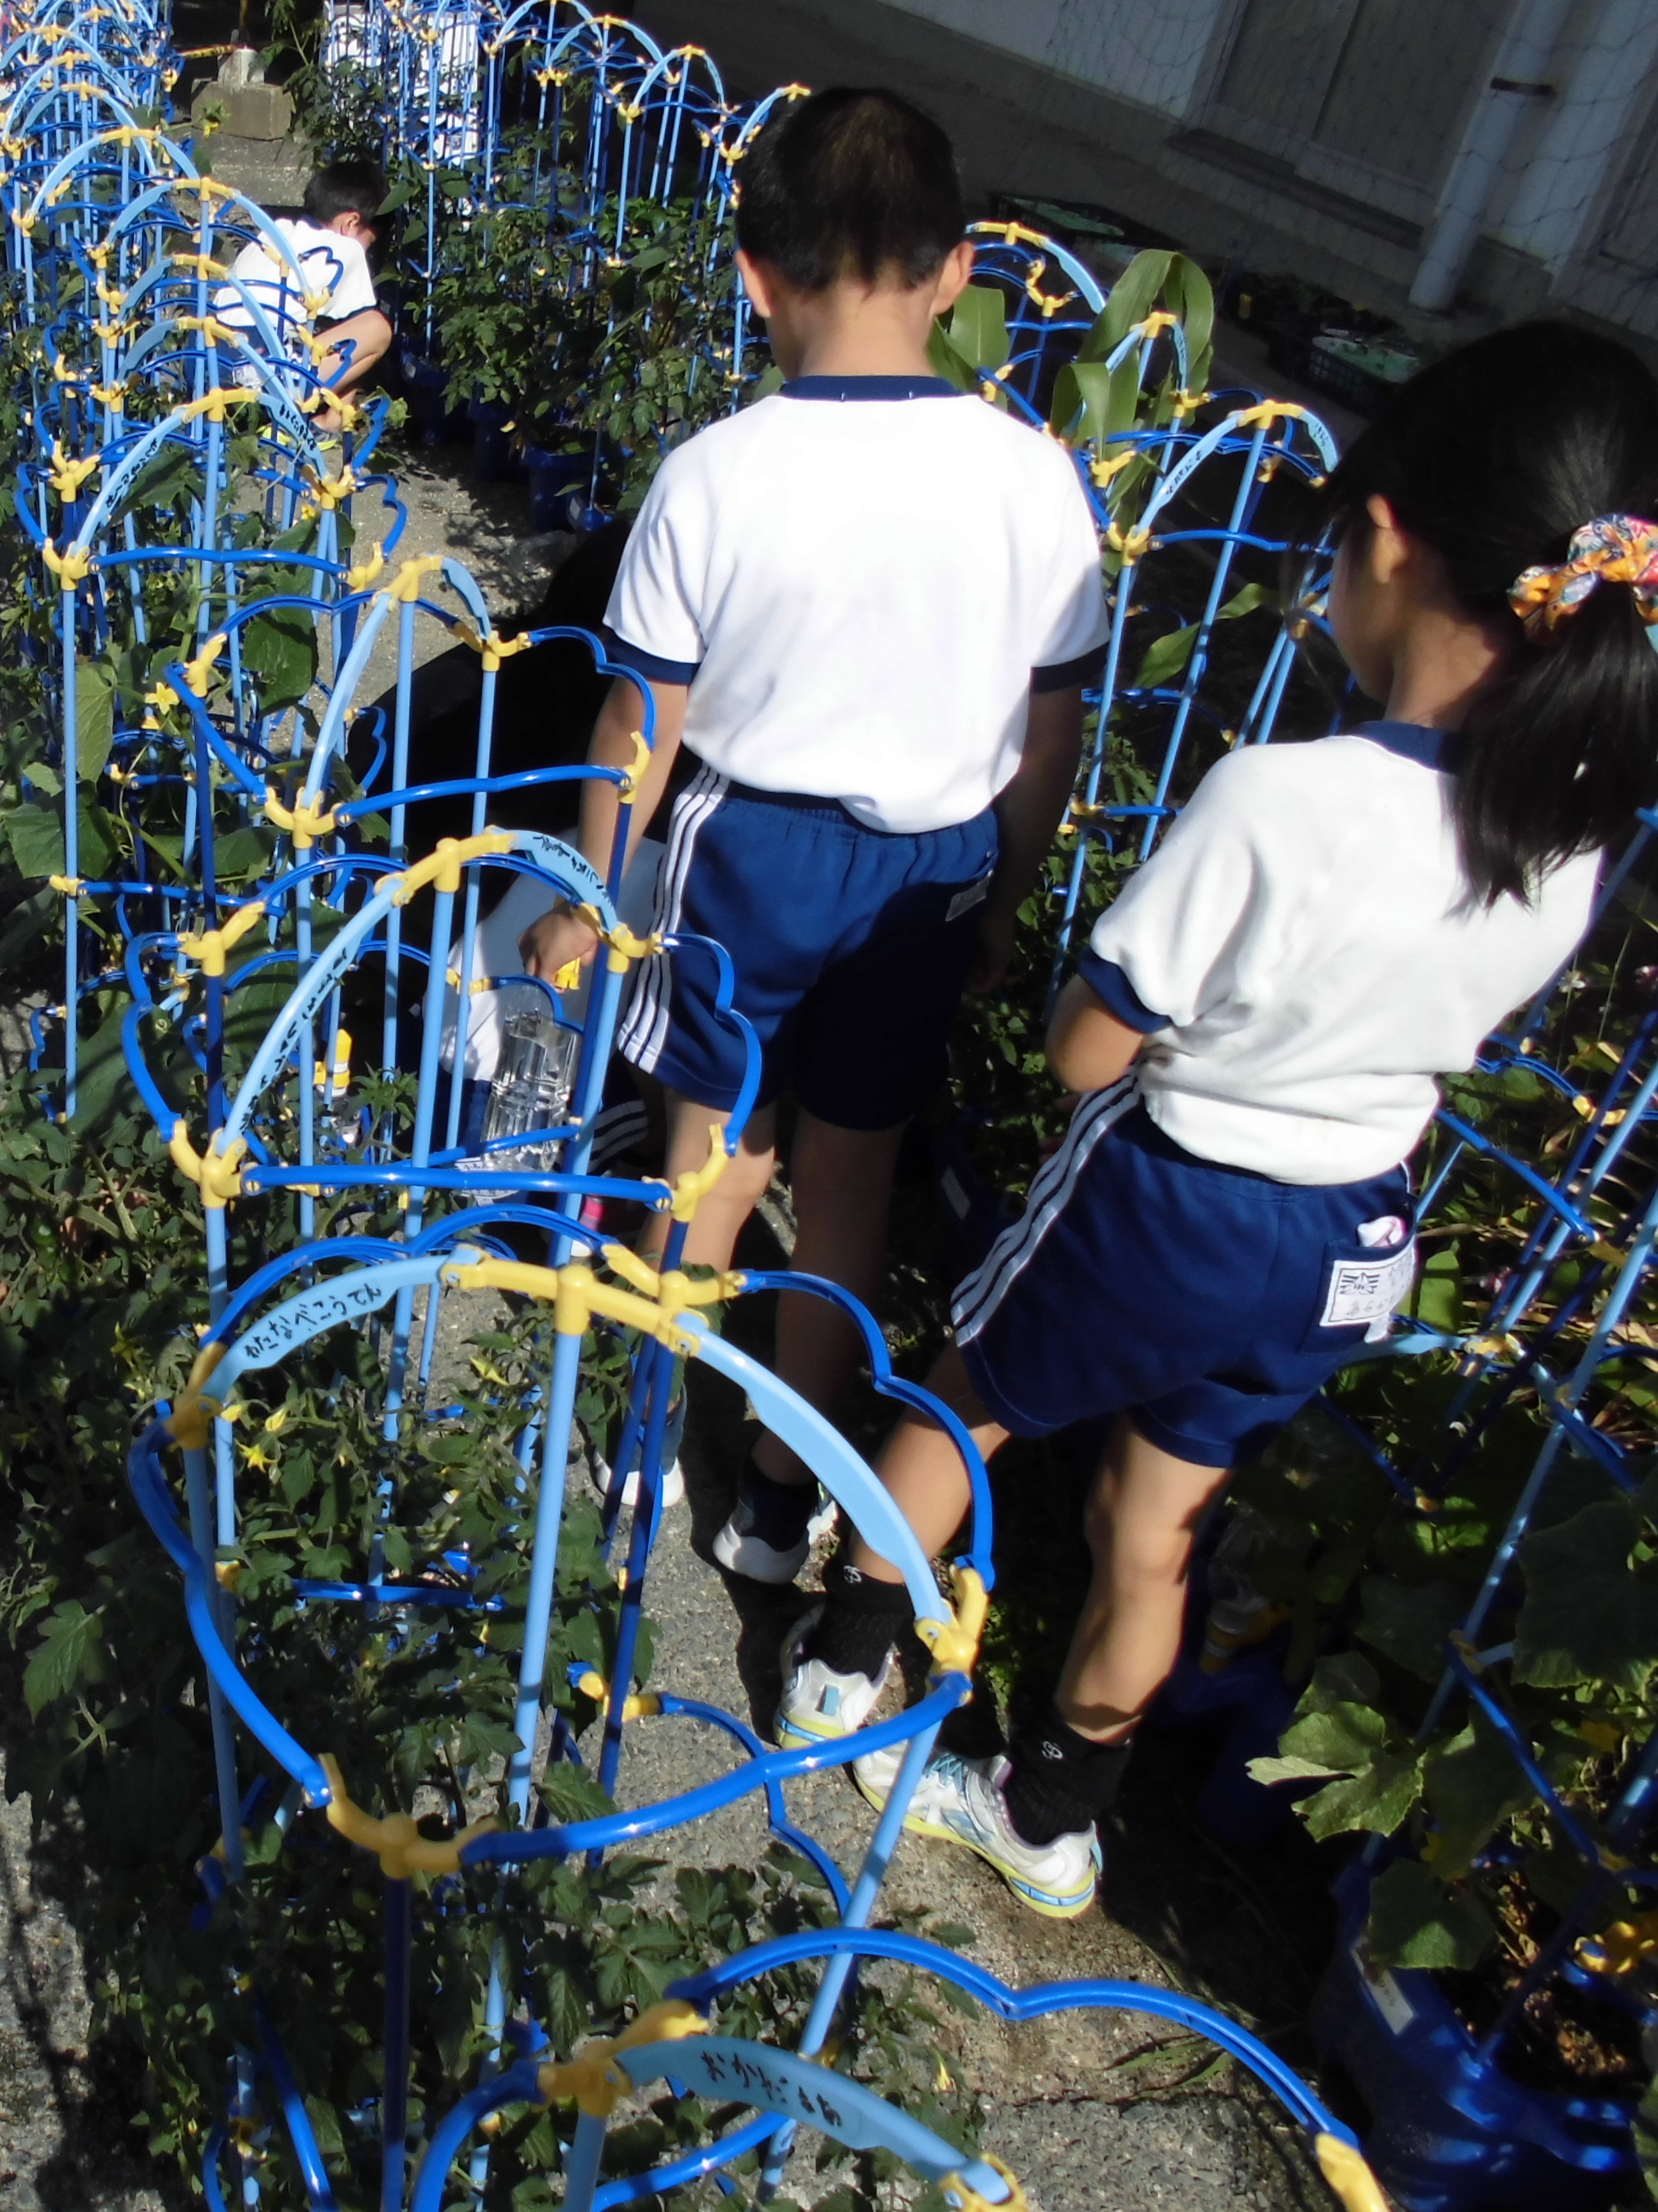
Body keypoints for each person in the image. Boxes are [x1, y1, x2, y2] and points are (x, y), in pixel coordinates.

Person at [772, 322, 1658, 1919]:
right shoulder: (1567, 845)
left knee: (967, 1399)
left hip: (1174, 1197)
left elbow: (1086, 1052)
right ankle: (1052, 1817)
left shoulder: (1283, 797)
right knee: (1158, 1525)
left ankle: (836, 1666)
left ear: (1384, 540)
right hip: (1348, 1236)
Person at [518, 87, 1107, 1582]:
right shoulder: (1036, 478)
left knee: (707, 1160)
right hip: (933, 869)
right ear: (956, 270)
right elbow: (1049, 736)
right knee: (847, 1185)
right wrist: (1002, 898)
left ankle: (644, 1446)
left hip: (749, 858)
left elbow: (639, 721)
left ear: (754, 277)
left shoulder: (720, 471)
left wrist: (593, 890)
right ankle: (779, 1503)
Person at [219, 159, 396, 399]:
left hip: (210, 353)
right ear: (351, 223)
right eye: (370, 242)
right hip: (260, 368)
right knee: (376, 328)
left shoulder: (276, 230)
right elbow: (360, 325)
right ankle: (330, 419)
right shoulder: (345, 248)